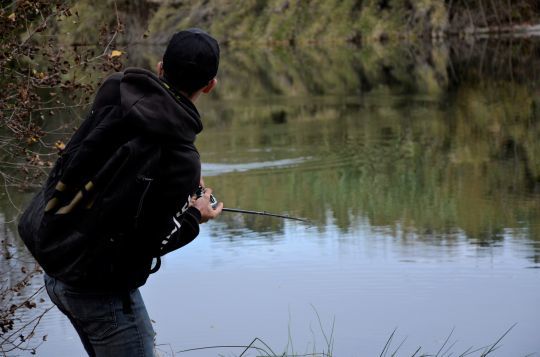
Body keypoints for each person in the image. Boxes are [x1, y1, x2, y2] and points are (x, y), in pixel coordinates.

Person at [34, 28, 224, 356]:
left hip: (56, 264)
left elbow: (118, 165)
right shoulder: (179, 155)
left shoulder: (115, 91)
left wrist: (188, 179)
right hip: (100, 291)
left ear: (160, 66)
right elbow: (151, 243)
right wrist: (196, 215)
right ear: (210, 85)